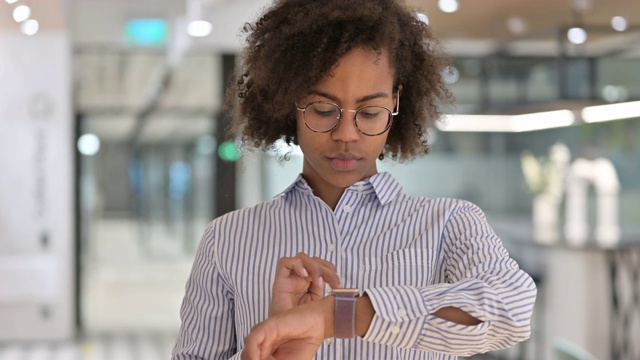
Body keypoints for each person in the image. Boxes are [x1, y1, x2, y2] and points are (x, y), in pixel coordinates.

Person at [172, 0, 537, 359]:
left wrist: (338, 316)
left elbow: (513, 309)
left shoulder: (448, 225)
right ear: (289, 102)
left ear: (395, 103)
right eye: (324, 109)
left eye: (370, 111)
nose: (346, 133)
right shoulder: (228, 240)